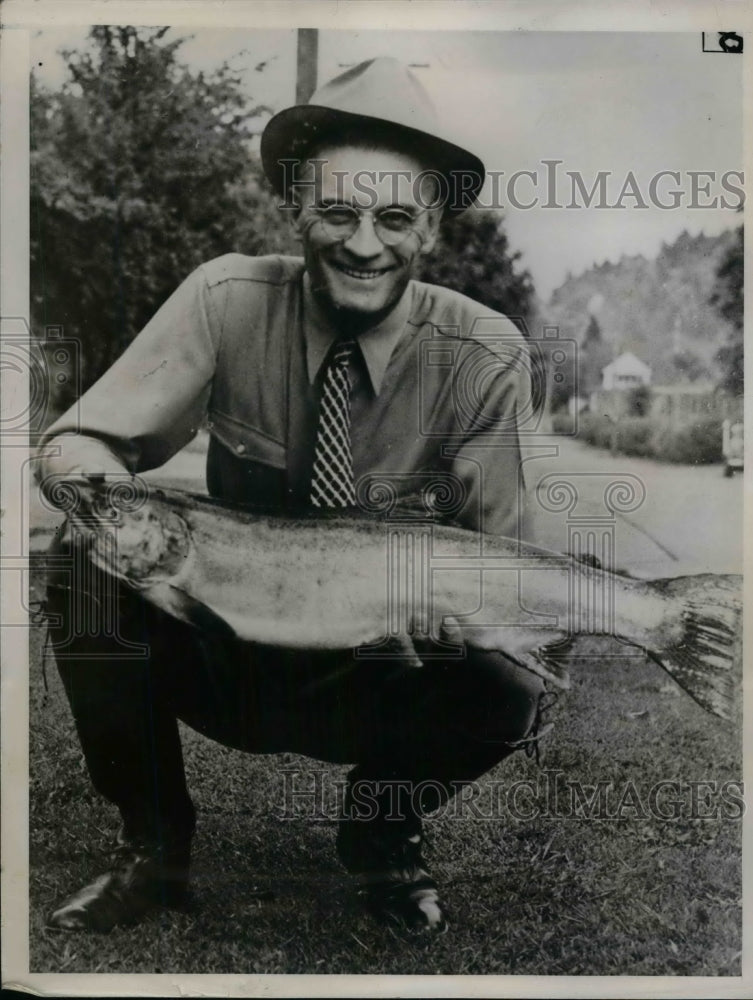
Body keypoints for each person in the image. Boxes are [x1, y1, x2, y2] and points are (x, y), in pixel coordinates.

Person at [37, 57, 546, 936]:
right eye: (337, 211)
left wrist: (462, 623)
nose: (362, 243)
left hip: (383, 671)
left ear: (431, 229)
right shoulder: (224, 297)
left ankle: (383, 835)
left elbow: (504, 571)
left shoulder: (486, 352)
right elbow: (73, 443)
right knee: (82, 567)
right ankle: (153, 848)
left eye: (394, 217)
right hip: (225, 643)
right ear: (296, 210)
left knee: (506, 685)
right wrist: (124, 512)